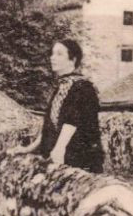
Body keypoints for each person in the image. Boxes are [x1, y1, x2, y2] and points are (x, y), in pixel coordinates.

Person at [19, 38, 104, 173]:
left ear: (73, 59)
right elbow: (50, 126)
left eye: (59, 54)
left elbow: (72, 121)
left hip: (78, 159)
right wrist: (29, 148)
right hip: (59, 156)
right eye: (52, 54)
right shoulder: (61, 86)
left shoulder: (83, 87)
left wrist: (59, 149)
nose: (53, 58)